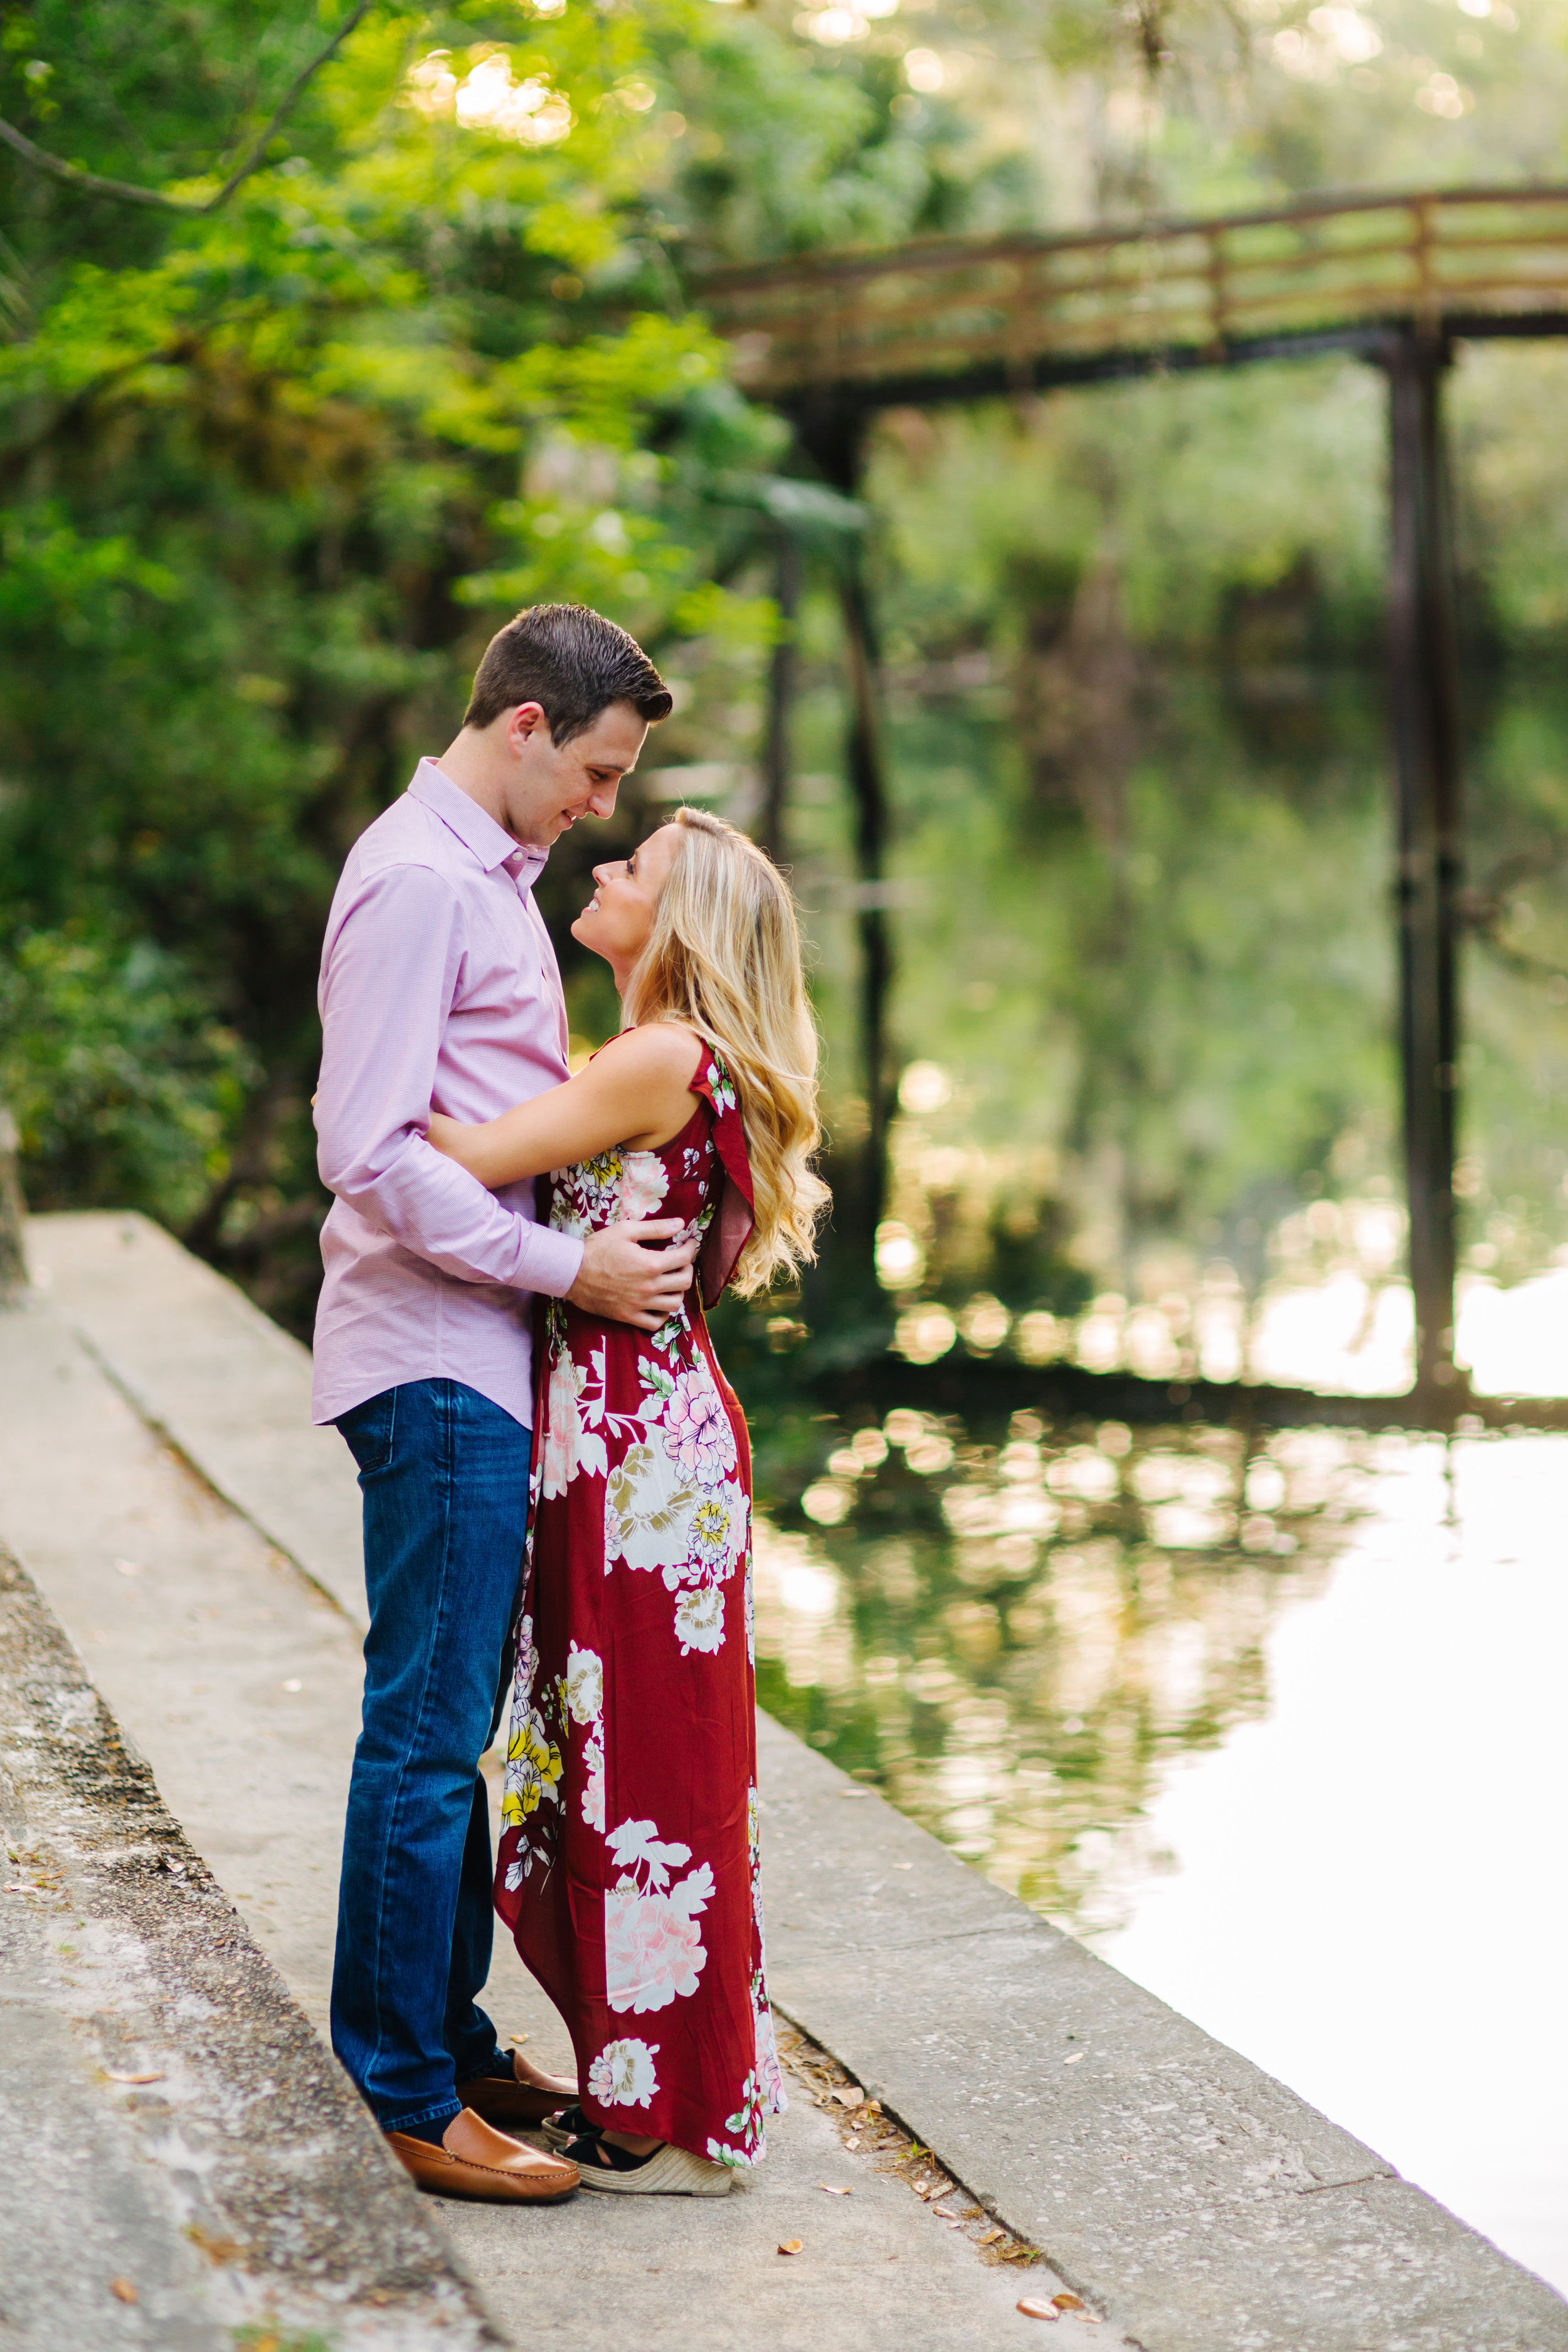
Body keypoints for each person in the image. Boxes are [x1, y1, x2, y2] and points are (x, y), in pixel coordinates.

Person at [312, 603, 699, 2205]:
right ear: (528, 725)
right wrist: (568, 1270)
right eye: (599, 770)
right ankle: (405, 2092)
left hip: (478, 1357)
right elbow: (369, 1150)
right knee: (423, 1735)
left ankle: (455, 2047)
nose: (602, 806)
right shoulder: (415, 882)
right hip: (434, 1356)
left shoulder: (487, 880)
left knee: (447, 1731)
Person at [426, 804, 828, 2194]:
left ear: (682, 923)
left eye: (633, 867)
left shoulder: (659, 1055)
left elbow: (461, 1155)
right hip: (634, 1441)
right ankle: (648, 2079)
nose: (603, 870)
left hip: (633, 1455)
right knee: (635, 1757)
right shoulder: (660, 1059)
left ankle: (654, 2100)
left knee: (641, 1768)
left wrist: (362, 1086)